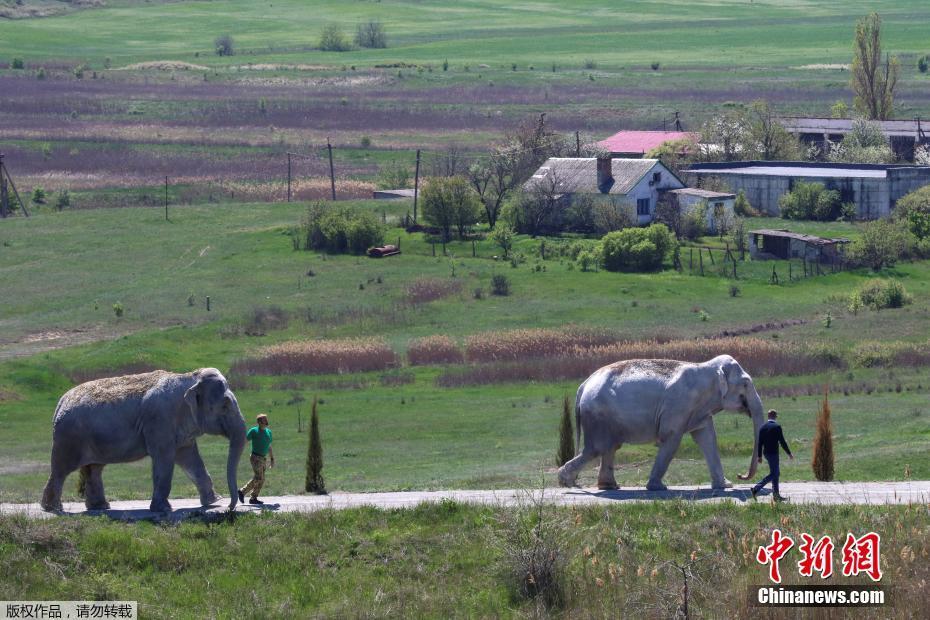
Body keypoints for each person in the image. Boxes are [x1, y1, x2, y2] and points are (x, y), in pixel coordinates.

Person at [751, 409, 793, 502]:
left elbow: (760, 443)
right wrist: (789, 453)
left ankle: (776, 496)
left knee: (775, 473)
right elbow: (782, 442)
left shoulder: (762, 427)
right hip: (774, 454)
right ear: (775, 416)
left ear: (768, 416)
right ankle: (756, 489)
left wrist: (759, 456)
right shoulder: (777, 426)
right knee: (775, 473)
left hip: (766, 453)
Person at [238, 413, 274, 505]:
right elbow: (244, 441)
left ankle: (253, 498)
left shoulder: (269, 432)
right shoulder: (254, 431)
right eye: (264, 420)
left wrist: (272, 458)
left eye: (266, 419)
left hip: (263, 458)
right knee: (259, 477)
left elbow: (269, 446)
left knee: (261, 479)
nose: (266, 421)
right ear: (259, 422)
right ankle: (242, 492)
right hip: (255, 457)